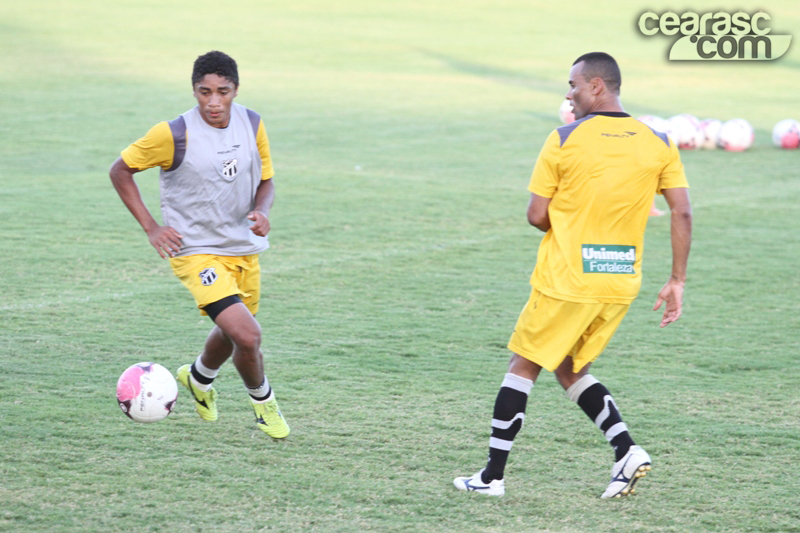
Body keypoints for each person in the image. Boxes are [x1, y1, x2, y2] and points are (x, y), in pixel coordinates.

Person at [454, 52, 692, 498]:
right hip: (619, 280)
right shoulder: (659, 141)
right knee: (570, 365)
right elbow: (682, 211)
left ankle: (491, 478)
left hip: (568, 278)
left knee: (523, 363)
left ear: (596, 86)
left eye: (573, 85)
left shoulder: (564, 138)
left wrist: (567, 223)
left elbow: (536, 215)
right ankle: (626, 451)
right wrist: (676, 280)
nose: (569, 94)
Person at [109, 50, 290, 439]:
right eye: (205, 92)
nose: (213, 102)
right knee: (248, 335)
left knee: (232, 330)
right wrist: (151, 227)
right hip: (195, 251)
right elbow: (120, 170)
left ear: (235, 90)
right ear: (194, 91)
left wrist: (262, 210)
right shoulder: (173, 134)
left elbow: (267, 180)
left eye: (222, 92)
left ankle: (198, 377)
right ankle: (264, 405)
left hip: (243, 248)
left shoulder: (252, 123)